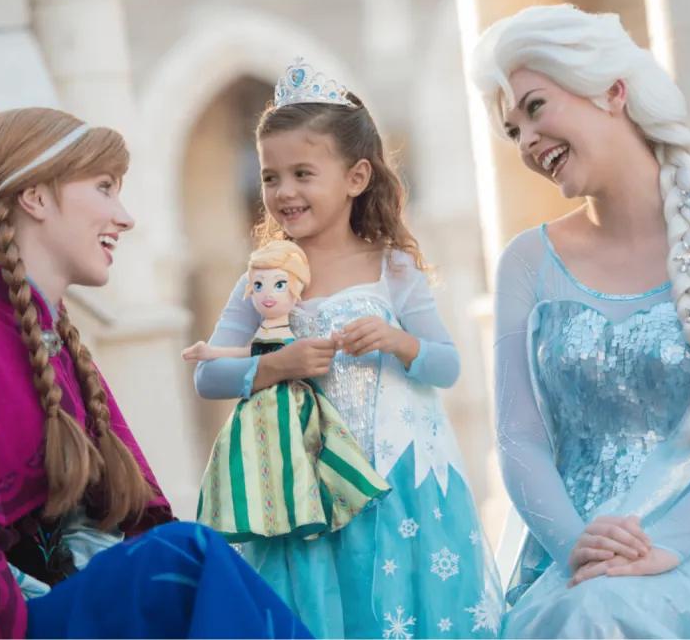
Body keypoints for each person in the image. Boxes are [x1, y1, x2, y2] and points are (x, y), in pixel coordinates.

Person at [0, 107, 312, 639]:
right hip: (14, 629)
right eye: (103, 188)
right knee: (187, 555)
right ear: (36, 197)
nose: (124, 217)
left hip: (81, 616)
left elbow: (123, 533)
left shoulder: (59, 347)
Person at [471, 4, 690, 637]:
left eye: (535, 108)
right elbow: (519, 439)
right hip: (574, 555)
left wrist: (665, 545)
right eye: (511, 132)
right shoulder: (525, 262)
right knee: (586, 611)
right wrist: (577, 547)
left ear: (612, 91)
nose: (527, 142)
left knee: (605, 614)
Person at [194, 59, 503, 639]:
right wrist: (274, 365)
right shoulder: (263, 281)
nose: (284, 192)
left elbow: (448, 364)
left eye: (303, 173)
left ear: (356, 177)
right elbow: (209, 377)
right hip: (307, 495)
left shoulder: (393, 268)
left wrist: (398, 340)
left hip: (400, 489)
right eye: (270, 177)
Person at [183, 240, 389, 543]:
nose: (267, 294)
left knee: (313, 452)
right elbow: (210, 376)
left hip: (314, 417)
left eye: (279, 285)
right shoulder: (257, 299)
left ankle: (313, 510)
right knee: (260, 468)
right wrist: (272, 364)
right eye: (259, 286)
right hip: (263, 418)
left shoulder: (386, 265)